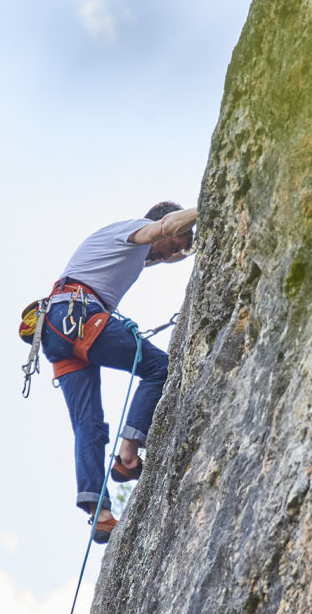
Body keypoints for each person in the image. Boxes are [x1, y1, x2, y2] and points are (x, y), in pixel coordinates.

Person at [41, 202, 197, 542]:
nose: (171, 252)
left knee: (88, 425)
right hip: (78, 315)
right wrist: (207, 208)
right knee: (159, 366)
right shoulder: (134, 229)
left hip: (56, 330)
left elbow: (166, 253)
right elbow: (164, 229)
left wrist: (190, 248)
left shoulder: (134, 253)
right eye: (175, 242)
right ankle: (127, 455)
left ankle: (100, 515)